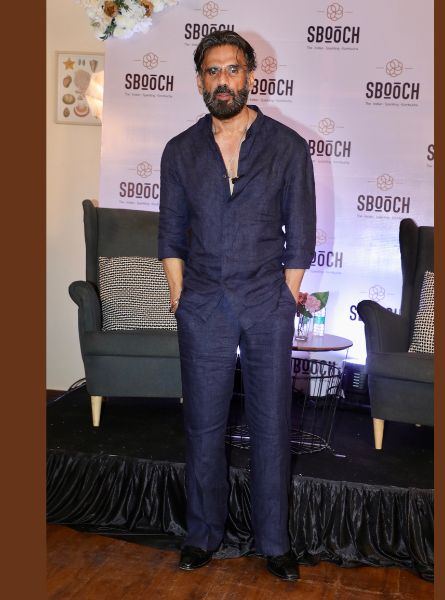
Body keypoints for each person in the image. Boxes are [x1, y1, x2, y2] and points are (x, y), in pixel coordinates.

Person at [157, 30, 316, 582]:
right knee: (203, 425)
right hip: (202, 302)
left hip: (266, 300)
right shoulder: (180, 150)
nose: (222, 81)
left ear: (250, 75)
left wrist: (285, 294)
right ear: (199, 80)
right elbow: (170, 233)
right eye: (212, 71)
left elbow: (301, 231)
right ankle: (202, 535)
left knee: (272, 423)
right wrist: (179, 295)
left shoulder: (287, 146)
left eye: (232, 70)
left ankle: (275, 543)